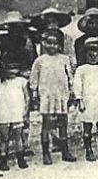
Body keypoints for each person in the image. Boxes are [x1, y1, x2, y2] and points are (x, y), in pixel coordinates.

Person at [28, 29, 76, 165]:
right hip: (47, 96)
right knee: (47, 124)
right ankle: (46, 153)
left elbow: (70, 77)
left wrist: (72, 91)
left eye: (55, 43)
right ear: (43, 44)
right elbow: (34, 79)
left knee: (63, 123)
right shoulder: (39, 61)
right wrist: (34, 94)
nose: (52, 46)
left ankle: (65, 151)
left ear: (60, 45)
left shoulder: (64, 59)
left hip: (61, 95)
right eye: (48, 43)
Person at [72, 36, 98, 160]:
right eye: (90, 54)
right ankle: (89, 150)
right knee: (87, 127)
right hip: (88, 101)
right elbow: (77, 85)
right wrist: (79, 100)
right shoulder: (81, 69)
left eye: (96, 54)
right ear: (85, 54)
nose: (93, 56)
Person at [0, 58, 30, 172]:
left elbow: (27, 97)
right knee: (4, 137)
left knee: (18, 136)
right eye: (9, 68)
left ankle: (20, 158)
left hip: (17, 111)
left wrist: (26, 111)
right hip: (4, 111)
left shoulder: (21, 81)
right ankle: (3, 160)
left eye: (14, 68)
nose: (12, 71)